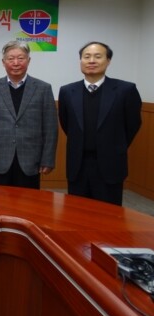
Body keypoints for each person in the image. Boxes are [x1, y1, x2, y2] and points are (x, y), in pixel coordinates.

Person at [58, 41, 142, 205]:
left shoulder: (126, 90)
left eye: (98, 56)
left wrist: (116, 145)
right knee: (77, 211)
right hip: (78, 165)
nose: (91, 61)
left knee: (109, 214)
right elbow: (66, 123)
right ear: (80, 61)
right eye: (86, 56)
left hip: (111, 164)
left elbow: (132, 124)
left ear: (108, 61)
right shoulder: (67, 91)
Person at [0, 41, 58, 189]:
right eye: (11, 59)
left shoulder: (43, 89)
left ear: (28, 60)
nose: (16, 63)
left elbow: (50, 128)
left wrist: (47, 159)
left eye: (21, 58)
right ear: (3, 62)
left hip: (31, 161)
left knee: (28, 201)